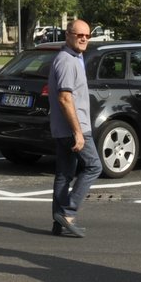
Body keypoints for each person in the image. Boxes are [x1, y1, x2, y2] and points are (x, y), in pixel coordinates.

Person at [49, 20, 101, 238]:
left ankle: (59, 222)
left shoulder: (72, 58)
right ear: (67, 35)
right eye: (79, 35)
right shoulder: (68, 62)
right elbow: (65, 98)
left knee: (64, 173)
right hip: (74, 128)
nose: (83, 39)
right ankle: (68, 212)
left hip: (64, 128)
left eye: (87, 36)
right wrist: (78, 132)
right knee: (93, 167)